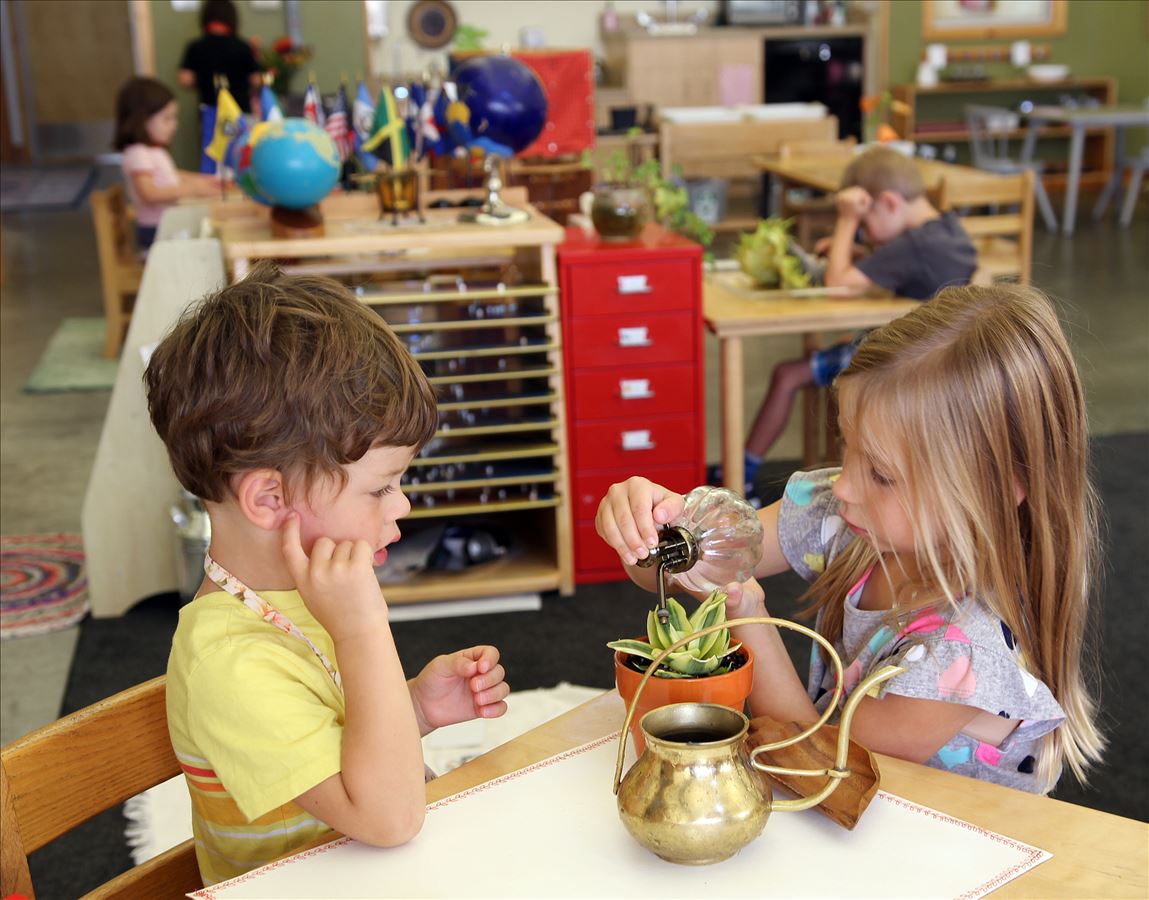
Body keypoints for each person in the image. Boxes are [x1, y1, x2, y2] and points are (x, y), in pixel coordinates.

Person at [596, 284, 1104, 795]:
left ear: (994, 490)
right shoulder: (849, 514)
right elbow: (681, 563)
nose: (843, 485)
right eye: (849, 446)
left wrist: (747, 615)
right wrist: (649, 529)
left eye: (881, 473)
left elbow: (823, 774)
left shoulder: (966, 651)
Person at [145, 263, 510, 885]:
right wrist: (364, 631)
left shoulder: (306, 588)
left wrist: (414, 705)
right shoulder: (229, 662)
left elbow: (336, 748)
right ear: (269, 499)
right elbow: (390, 818)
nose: (402, 506)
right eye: (380, 488)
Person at [740, 146, 977, 494]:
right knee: (828, 354)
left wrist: (847, 219)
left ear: (891, 203)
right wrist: (861, 254)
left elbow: (837, 285)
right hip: (932, 353)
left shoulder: (915, 246)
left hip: (905, 363)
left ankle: (742, 474)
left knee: (787, 374)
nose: (863, 231)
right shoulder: (946, 231)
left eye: (865, 222)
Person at [113, 77, 218, 250]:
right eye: (167, 119)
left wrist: (204, 180)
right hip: (157, 231)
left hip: (165, 227)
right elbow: (150, 193)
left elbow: (172, 176)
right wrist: (192, 189)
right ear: (142, 120)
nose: (174, 125)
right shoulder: (138, 152)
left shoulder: (154, 151)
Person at [178, 0, 261, 114]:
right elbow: (256, 80)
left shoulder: (196, 47)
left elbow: (185, 80)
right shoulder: (242, 46)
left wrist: (203, 81)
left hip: (210, 109)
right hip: (239, 109)